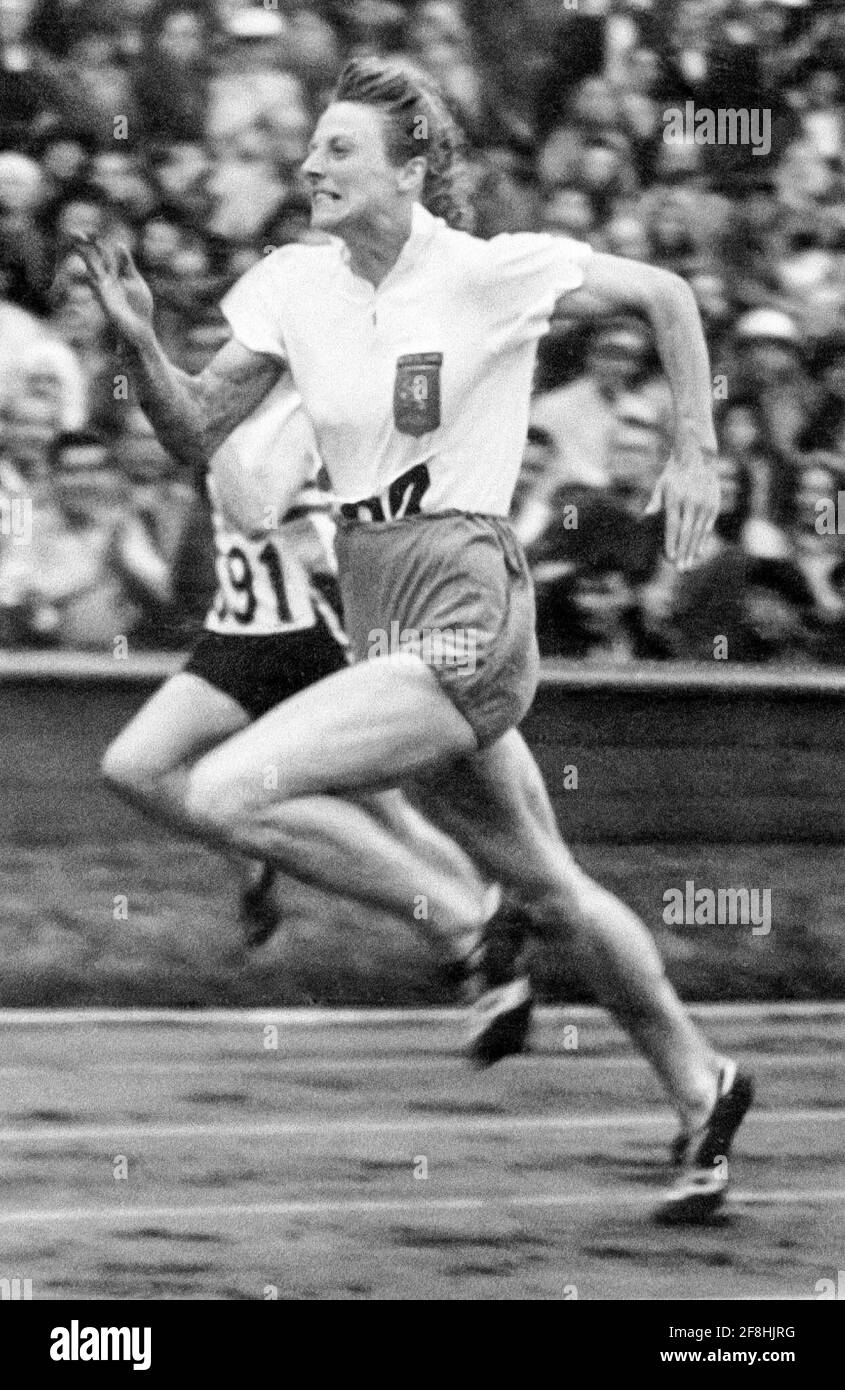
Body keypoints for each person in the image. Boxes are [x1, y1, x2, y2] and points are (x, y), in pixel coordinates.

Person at [71, 56, 753, 1224]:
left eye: (336, 148)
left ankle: (466, 924)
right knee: (551, 883)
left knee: (234, 786)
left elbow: (668, 299)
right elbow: (195, 433)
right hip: (377, 600)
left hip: (468, 591)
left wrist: (693, 446)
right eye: (310, 148)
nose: (307, 165)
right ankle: (702, 1083)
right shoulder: (293, 282)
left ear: (412, 166)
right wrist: (137, 344)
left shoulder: (490, 272)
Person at [100, 378, 520, 1054]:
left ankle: (478, 941)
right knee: (133, 767)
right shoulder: (240, 401)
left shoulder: (308, 405)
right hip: (240, 631)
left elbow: (270, 516)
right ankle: (467, 928)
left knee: (385, 813)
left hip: (307, 637)